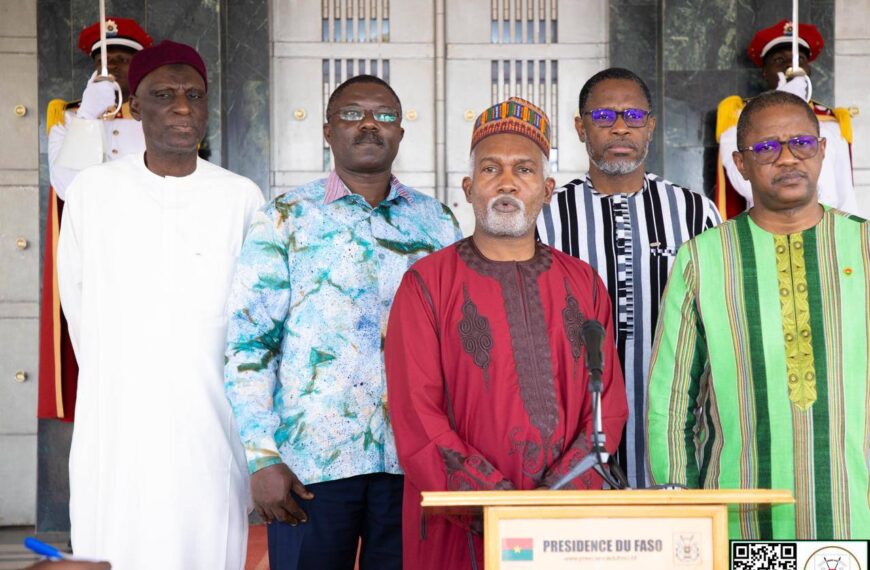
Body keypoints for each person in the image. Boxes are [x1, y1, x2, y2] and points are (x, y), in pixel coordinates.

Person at [224, 74, 461, 570]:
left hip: (412, 463)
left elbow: (455, 347)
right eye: (353, 114)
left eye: (385, 115)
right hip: (311, 469)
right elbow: (250, 345)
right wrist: (262, 456)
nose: (370, 124)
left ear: (400, 132)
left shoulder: (437, 224)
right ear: (328, 130)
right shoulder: (285, 218)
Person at [385, 97, 628, 568]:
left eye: (524, 170)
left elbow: (608, 408)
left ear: (548, 188)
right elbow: (418, 418)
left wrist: (553, 501)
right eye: (491, 169)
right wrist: (499, 506)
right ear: (469, 187)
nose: (507, 183)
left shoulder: (582, 282)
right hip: (459, 524)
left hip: (565, 527)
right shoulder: (427, 284)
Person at [57, 40, 264, 569]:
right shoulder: (95, 193)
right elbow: (76, 300)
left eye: (194, 95)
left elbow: (256, 316)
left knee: (206, 536)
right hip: (119, 413)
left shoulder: (239, 196)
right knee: (116, 536)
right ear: (135, 104)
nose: (181, 107)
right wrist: (118, 366)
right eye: (164, 94)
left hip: (211, 413)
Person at [647, 90, 870, 539]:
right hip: (739, 523)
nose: (787, 159)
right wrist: (685, 513)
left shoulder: (864, 248)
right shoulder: (704, 259)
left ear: (822, 150)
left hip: (856, 515)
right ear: (741, 164)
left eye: (801, 144)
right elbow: (671, 403)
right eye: (766, 148)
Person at [537, 68, 721, 489]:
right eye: (603, 116)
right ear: (581, 127)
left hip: (676, 428)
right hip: (571, 427)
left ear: (651, 126)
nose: (620, 127)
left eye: (633, 116)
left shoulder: (696, 212)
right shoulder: (546, 217)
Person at [39, 17, 152, 422]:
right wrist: (87, 118)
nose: (111, 70)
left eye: (121, 61)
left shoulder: (155, 118)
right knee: (101, 374)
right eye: (102, 62)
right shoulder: (69, 119)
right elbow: (68, 186)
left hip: (151, 253)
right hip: (97, 261)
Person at [716, 19, 857, 218]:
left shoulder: (832, 123)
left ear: (809, 70)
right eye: (780, 61)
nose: (791, 67)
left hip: (826, 230)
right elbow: (743, 183)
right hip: (766, 227)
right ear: (765, 72)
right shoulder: (738, 117)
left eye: (799, 60)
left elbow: (845, 195)